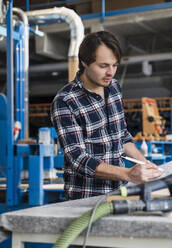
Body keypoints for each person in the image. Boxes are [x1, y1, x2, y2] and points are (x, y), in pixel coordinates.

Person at [51, 31, 161, 200]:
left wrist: (145, 165)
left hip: (120, 193)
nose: (111, 72)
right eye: (103, 66)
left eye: (115, 65)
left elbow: (122, 136)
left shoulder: (114, 87)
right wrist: (128, 174)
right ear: (85, 63)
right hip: (86, 198)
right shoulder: (66, 101)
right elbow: (78, 159)